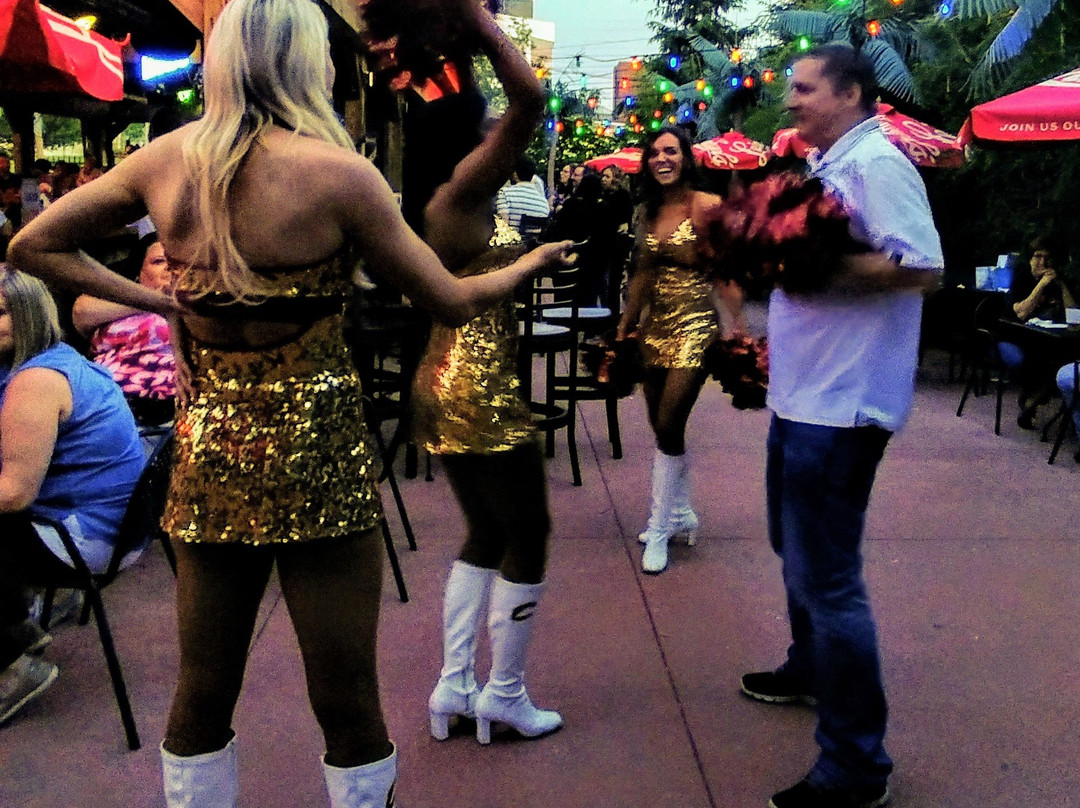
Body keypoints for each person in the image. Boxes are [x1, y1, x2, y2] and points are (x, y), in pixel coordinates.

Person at [9, 0, 572, 805]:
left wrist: (161, 299)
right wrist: (528, 265)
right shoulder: (342, 176)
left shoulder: (166, 161)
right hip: (320, 452)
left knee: (202, 692)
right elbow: (449, 300)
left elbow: (32, 245)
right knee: (347, 699)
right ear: (309, 60)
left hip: (213, 448)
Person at [739, 44, 942, 808]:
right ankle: (811, 668)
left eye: (804, 88)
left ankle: (856, 764)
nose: (790, 100)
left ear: (850, 93)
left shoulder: (878, 163)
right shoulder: (831, 165)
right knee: (791, 547)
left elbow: (922, 266)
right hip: (803, 397)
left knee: (828, 577)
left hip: (843, 406)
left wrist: (810, 265)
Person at [398, 1, 566, 746]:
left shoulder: (439, 199)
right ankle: (504, 692)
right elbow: (530, 99)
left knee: (486, 530)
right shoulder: (461, 192)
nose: (498, 131)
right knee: (530, 531)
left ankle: (456, 683)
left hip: (443, 376)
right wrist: (479, 19)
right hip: (478, 382)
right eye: (483, 123)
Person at [0, 267, 144, 725]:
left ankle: (11, 667)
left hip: (87, 541)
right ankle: (18, 627)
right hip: (112, 525)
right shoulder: (50, 357)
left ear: (28, 313)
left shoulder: (36, 381)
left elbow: (13, 495)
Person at [616, 125, 741, 575]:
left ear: (686, 158)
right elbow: (642, 274)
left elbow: (727, 273)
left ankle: (659, 527)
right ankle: (681, 511)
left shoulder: (707, 206)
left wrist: (738, 328)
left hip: (696, 325)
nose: (661, 159)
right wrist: (626, 326)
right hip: (656, 326)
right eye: (654, 153)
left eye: (670, 151)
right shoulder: (646, 211)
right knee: (661, 426)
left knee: (670, 421)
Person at [72, 234, 177, 424]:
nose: (169, 267)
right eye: (159, 261)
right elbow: (82, 311)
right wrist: (156, 299)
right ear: (138, 274)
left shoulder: (195, 307)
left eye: (176, 262)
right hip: (110, 406)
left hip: (174, 409)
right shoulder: (114, 304)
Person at [1000, 235, 1076, 428]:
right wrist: (1041, 283)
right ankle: (1034, 397)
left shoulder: (1058, 279)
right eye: (1038, 256)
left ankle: (1033, 400)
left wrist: (1061, 285)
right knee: (1044, 357)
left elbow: (1074, 315)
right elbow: (1021, 313)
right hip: (1017, 334)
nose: (1042, 262)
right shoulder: (1022, 277)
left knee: (1066, 357)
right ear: (1030, 258)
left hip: (1050, 337)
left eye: (1047, 258)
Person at [495, 156, 550, 233]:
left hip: (512, 239)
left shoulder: (505, 194)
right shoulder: (544, 202)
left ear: (515, 174)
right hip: (535, 241)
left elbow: (503, 225)